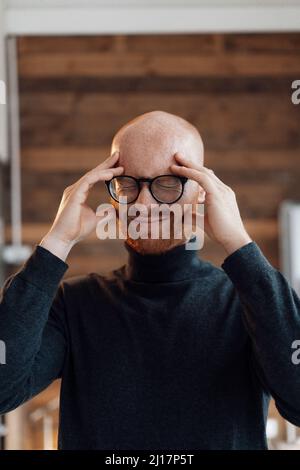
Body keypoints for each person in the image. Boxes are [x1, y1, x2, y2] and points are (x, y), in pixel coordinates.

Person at [0, 110, 299, 450]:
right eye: (128, 184)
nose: (143, 204)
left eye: (167, 184)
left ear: (201, 192)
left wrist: (239, 244)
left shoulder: (246, 302)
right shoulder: (75, 304)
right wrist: (56, 243)